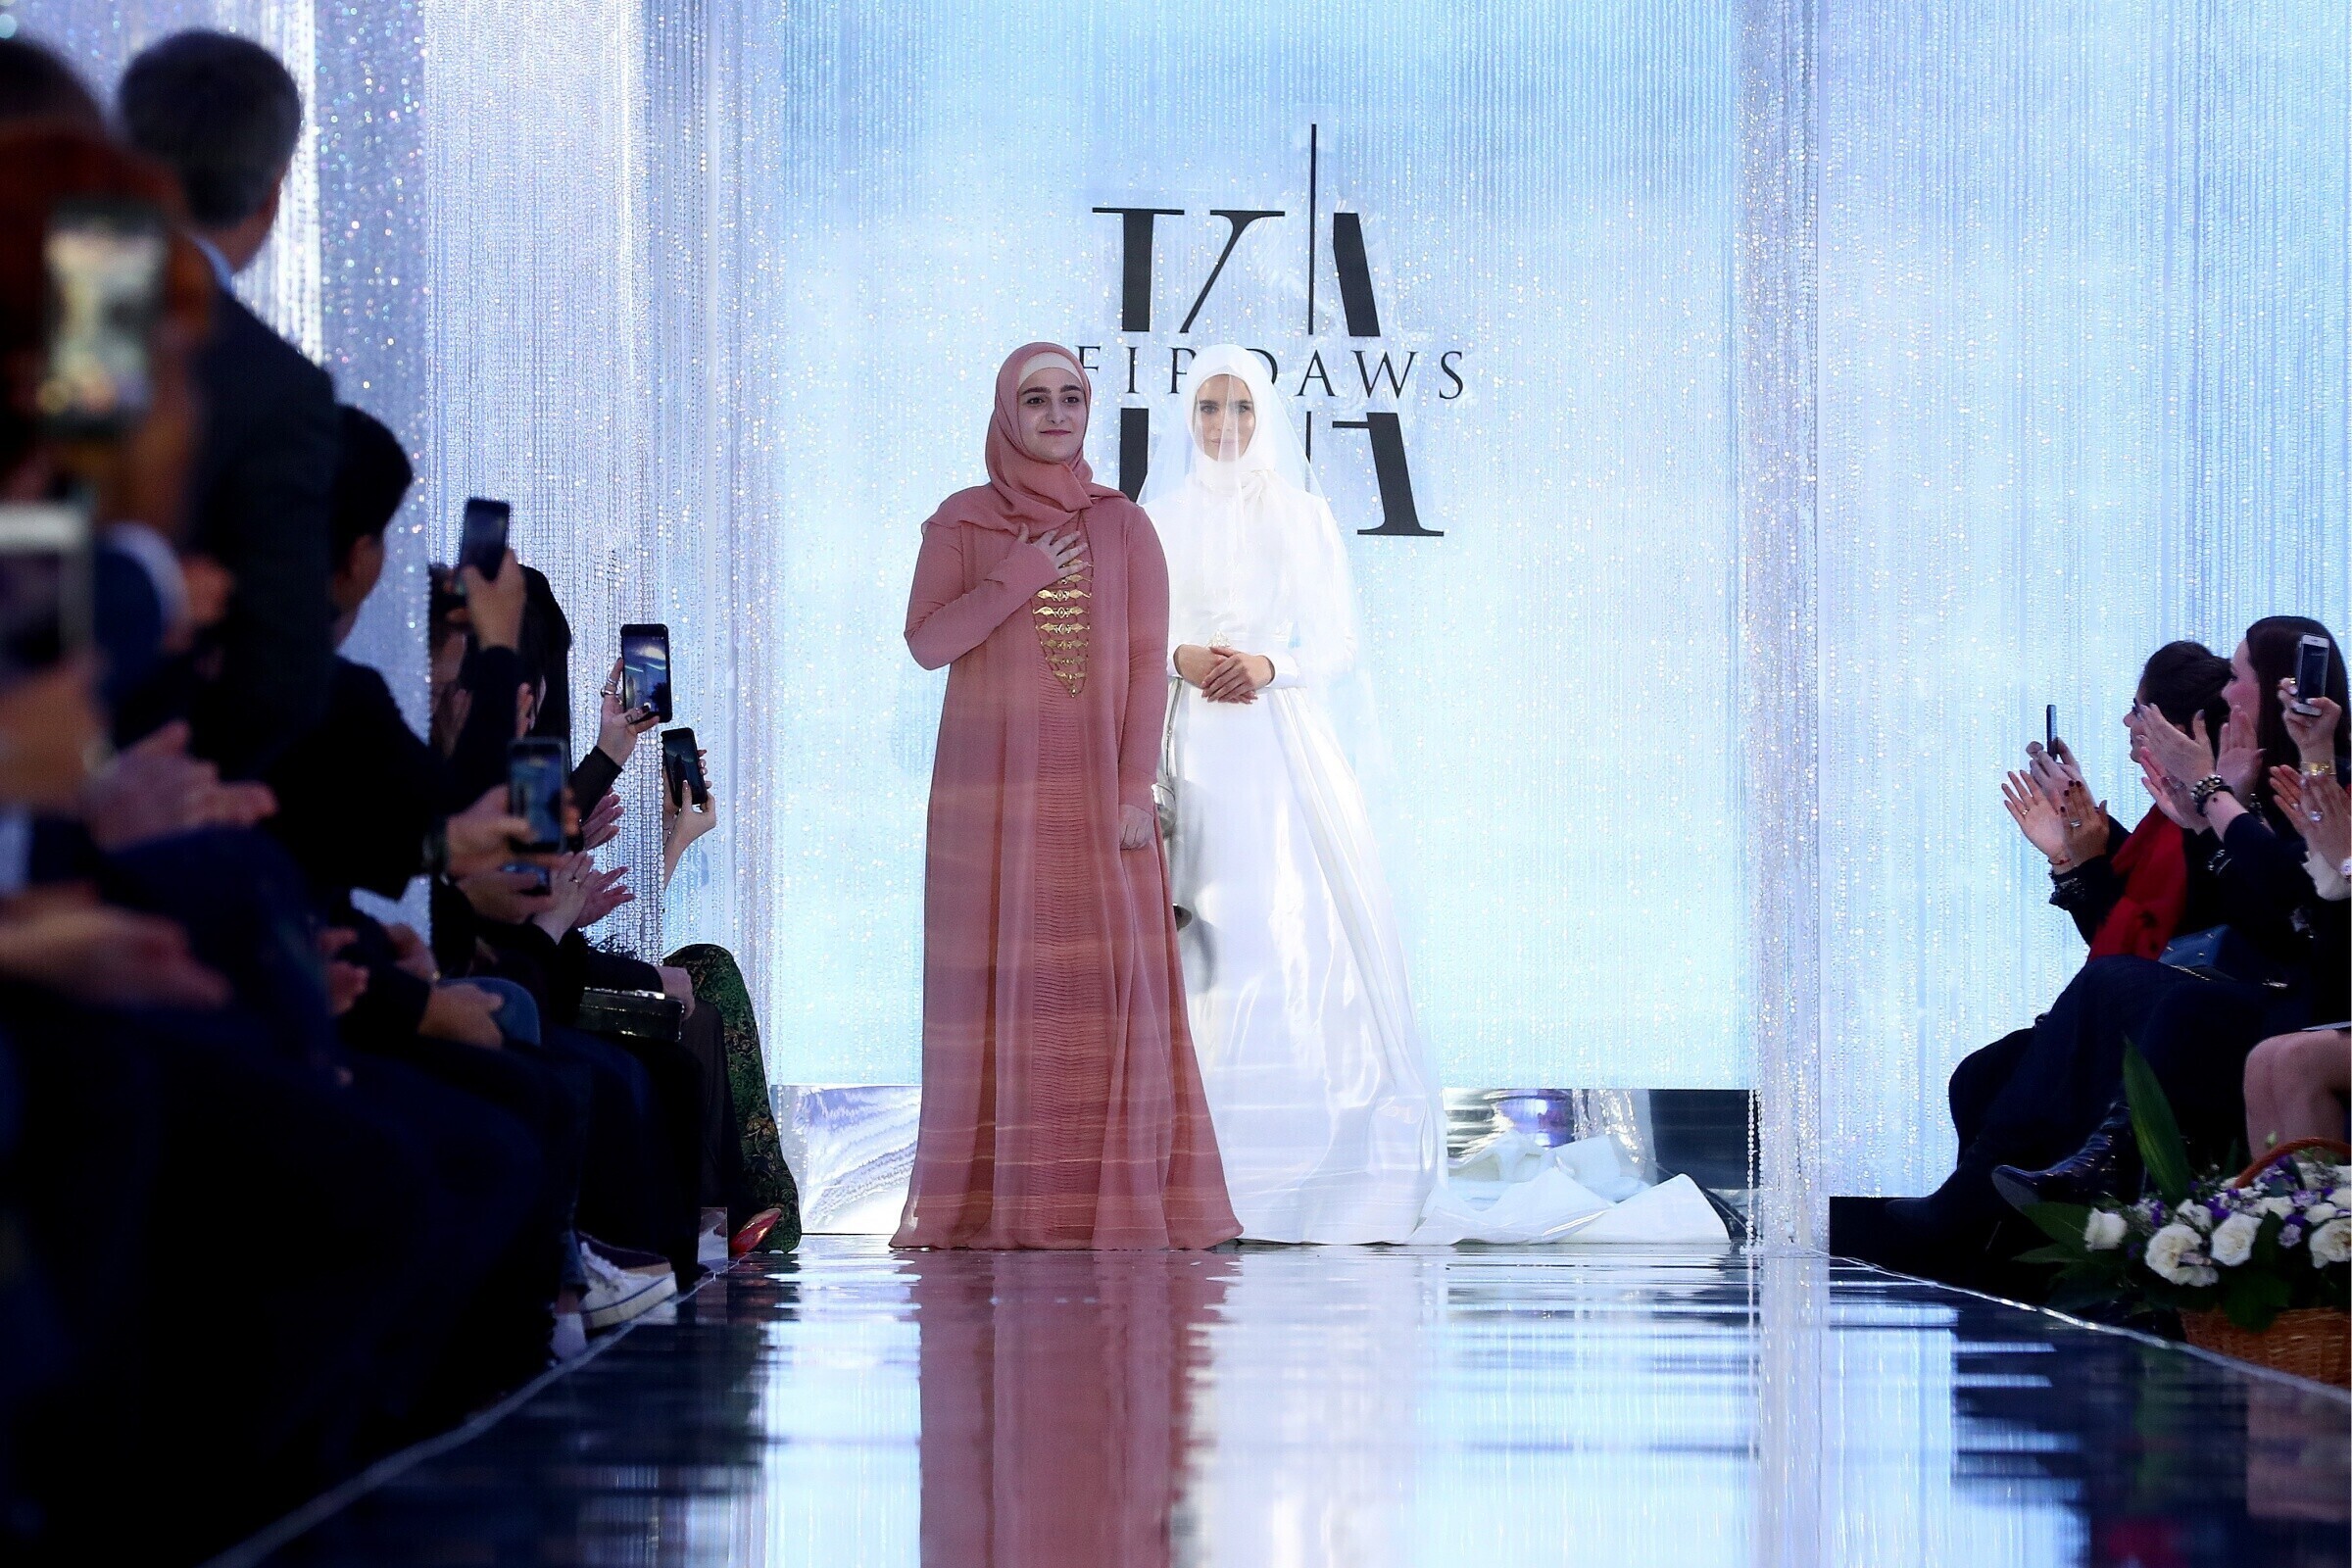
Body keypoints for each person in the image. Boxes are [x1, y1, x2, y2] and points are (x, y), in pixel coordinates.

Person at [1140, 346, 1723, 1247]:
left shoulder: (1300, 513)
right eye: (1209, 406)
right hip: (1188, 747)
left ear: (1266, 416)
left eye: (1242, 406)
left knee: (1286, 939)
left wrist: (1268, 664)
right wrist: (1180, 656)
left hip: (1277, 744)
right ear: (1187, 415)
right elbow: (1131, 631)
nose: (1224, 425)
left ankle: (1301, 1177)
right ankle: (1185, 1177)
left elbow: (1338, 643)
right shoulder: (1157, 516)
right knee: (1196, 943)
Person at [894, 342, 1238, 1250]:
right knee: (997, 984)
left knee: (1101, 991)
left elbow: (1145, 669)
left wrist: (1133, 790)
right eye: (1036, 400)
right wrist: (1019, 577)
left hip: (1095, 797)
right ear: (1006, 413)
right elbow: (928, 644)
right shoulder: (962, 521)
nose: (1056, 415)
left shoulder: (1123, 526)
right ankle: (999, 1205)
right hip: (989, 797)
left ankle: (1101, 1203)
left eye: (1071, 398)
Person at [118, 30, 340, 778]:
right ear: (273, 191)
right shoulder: (278, 389)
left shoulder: (34, 304)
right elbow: (279, 677)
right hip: (156, 798)